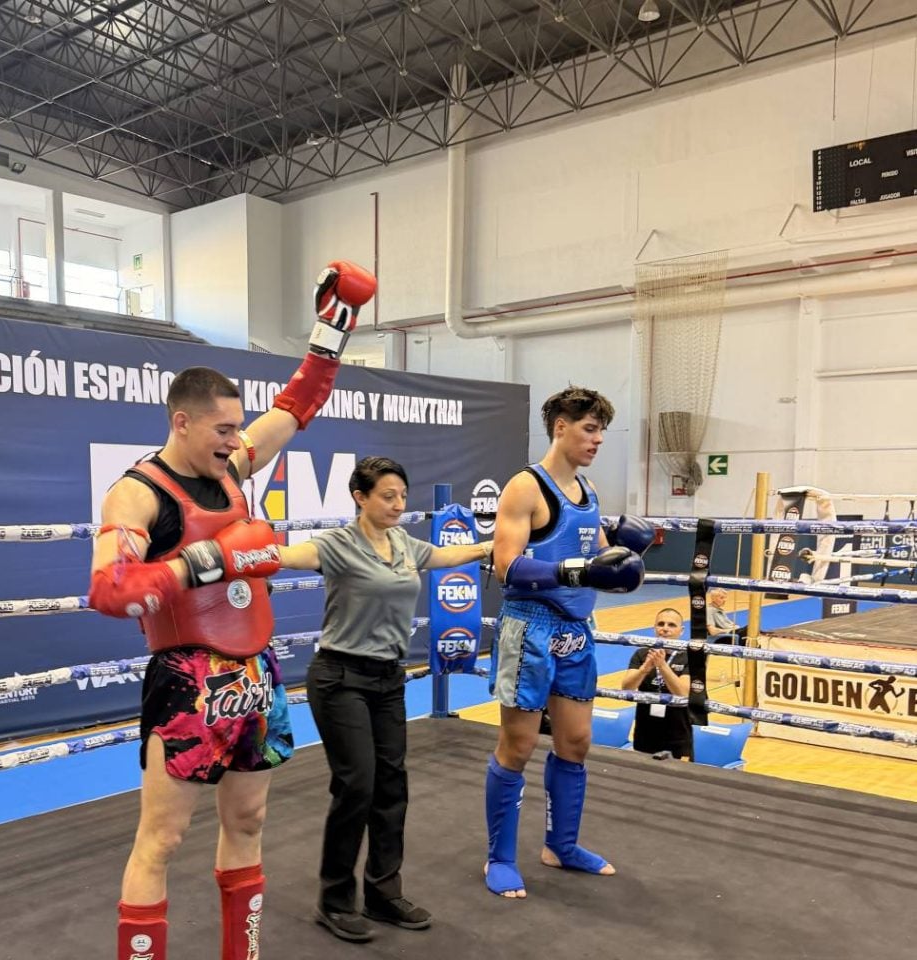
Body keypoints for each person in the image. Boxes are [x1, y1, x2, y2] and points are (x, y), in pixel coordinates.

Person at [88, 260, 377, 960]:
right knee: (162, 838)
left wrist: (337, 320)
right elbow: (109, 592)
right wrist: (201, 562)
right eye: (221, 428)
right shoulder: (139, 495)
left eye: (236, 428)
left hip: (256, 670)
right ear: (181, 423)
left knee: (248, 821)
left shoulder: (232, 468)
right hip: (187, 675)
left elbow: (297, 405)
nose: (234, 438)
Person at [276, 456, 492, 942]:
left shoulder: (403, 543)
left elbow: (447, 556)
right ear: (361, 496)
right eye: (387, 496)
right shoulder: (336, 545)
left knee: (392, 785)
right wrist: (240, 548)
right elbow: (288, 557)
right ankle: (334, 900)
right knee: (357, 785)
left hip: (387, 679)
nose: (398, 504)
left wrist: (498, 542)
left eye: (401, 495)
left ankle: (382, 893)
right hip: (340, 677)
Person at [484, 386, 653, 899]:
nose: (598, 439)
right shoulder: (525, 488)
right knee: (517, 745)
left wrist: (624, 555)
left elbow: (599, 556)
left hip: (574, 633)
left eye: (601, 429)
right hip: (529, 627)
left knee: (576, 742)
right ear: (560, 426)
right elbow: (506, 563)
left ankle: (561, 845)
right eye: (590, 428)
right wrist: (572, 569)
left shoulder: (588, 490)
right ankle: (499, 857)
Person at [622, 608, 694, 760]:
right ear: (654, 628)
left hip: (677, 733)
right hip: (645, 731)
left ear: (681, 631)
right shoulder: (642, 654)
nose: (665, 628)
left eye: (671, 625)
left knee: (674, 779)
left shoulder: (690, 657)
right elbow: (626, 688)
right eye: (661, 624)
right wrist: (644, 669)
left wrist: (662, 666)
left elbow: (683, 693)